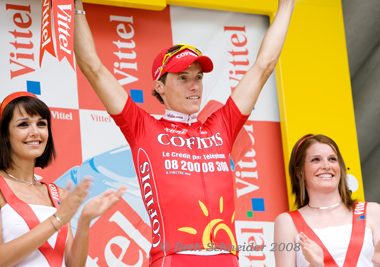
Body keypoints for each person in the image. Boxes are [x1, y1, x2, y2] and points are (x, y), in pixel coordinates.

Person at [74, 0, 295, 265]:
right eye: (183, 77)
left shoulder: (221, 125)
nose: (194, 86)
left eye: (198, 77)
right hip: (174, 259)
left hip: (226, 259)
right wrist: (76, 6)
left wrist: (286, 7)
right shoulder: (143, 127)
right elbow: (93, 67)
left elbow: (263, 66)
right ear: (159, 86)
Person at [0, 91, 125, 267]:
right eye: (23, 124)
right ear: (5, 134)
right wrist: (57, 220)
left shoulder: (57, 194)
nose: (35, 132)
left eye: (41, 124)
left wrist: (84, 221)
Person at [274, 134, 380, 267]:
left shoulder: (372, 211)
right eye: (316, 160)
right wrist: (314, 265)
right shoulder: (286, 222)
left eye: (332, 159)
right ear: (299, 171)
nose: (326, 165)